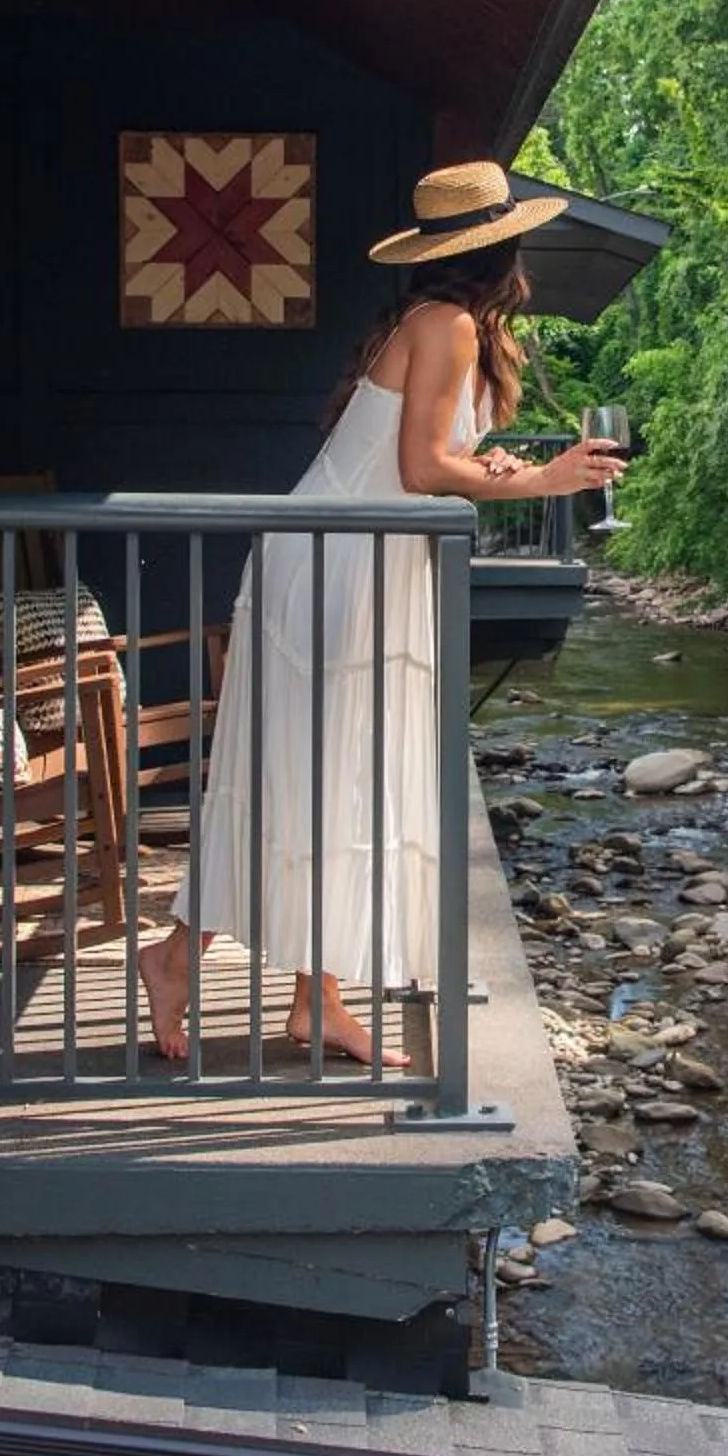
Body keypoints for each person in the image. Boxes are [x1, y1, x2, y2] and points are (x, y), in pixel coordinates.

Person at [137, 161, 624, 1065]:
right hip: (338, 569)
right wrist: (548, 478)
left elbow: (427, 456)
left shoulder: (441, 324)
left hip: (347, 559)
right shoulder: (447, 328)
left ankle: (311, 1000)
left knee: (329, 782)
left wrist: (501, 469)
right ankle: (177, 957)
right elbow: (419, 472)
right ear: (502, 249)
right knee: (318, 779)